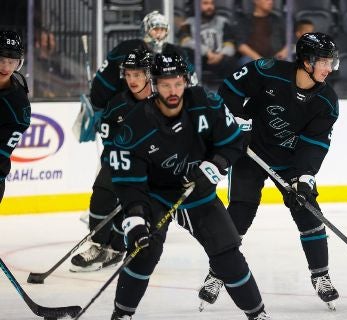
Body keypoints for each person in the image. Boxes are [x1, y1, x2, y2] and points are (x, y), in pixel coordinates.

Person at [108, 51, 271, 320]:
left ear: (186, 81)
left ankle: (258, 314)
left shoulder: (206, 103)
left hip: (198, 192)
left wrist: (214, 165)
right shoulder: (135, 124)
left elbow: (234, 142)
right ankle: (122, 315)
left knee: (228, 255)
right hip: (155, 195)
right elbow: (127, 179)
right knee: (143, 253)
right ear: (154, 84)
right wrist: (135, 215)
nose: (172, 90)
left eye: (177, 83)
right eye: (165, 84)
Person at [198, 32, 340, 310]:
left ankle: (321, 275)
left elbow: (315, 144)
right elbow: (228, 92)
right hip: (250, 153)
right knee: (239, 213)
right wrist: (235, 122)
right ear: (306, 61)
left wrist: (304, 179)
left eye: (330, 62)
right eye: (322, 61)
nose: (327, 68)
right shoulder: (267, 71)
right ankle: (217, 273)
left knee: (308, 210)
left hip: (290, 161)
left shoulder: (327, 102)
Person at [75, 10, 196, 269]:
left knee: (137, 201)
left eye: (163, 29)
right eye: (155, 29)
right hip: (123, 145)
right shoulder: (122, 90)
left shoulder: (167, 90)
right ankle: (98, 242)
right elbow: (105, 86)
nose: (159, 34)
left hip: (154, 159)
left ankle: (117, 246)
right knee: (105, 188)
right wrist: (98, 108)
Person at [70, 49, 154, 272]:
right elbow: (110, 144)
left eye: (137, 75)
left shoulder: (162, 102)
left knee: (132, 208)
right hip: (121, 161)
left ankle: (115, 248)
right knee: (102, 194)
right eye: (128, 75)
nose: (132, 80)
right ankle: (98, 245)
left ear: (148, 74)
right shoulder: (117, 104)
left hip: (154, 166)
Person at [0, 30, 30, 203]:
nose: (5, 67)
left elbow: (4, 149)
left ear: (18, 63)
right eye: (2, 60)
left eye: (11, 61)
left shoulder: (19, 103)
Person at [178, 0, 238, 79]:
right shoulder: (188, 23)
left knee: (232, 61)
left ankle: (228, 89)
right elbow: (185, 42)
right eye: (205, 3)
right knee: (186, 54)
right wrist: (206, 52)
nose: (210, 7)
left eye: (212, 3)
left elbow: (230, 44)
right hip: (199, 59)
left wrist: (220, 55)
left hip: (220, 58)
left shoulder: (223, 22)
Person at [234, 0, 288, 65]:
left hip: (276, 59)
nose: (270, 2)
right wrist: (262, 61)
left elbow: (290, 40)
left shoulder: (278, 20)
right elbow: (241, 46)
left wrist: (285, 51)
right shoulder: (244, 21)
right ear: (256, 1)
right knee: (246, 61)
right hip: (253, 60)